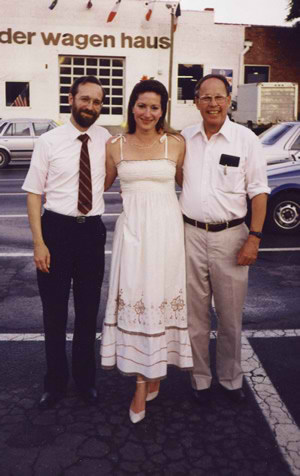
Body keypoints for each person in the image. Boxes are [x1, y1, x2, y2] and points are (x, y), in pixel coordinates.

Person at [100, 79, 193, 423]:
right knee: (138, 297)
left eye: (155, 107)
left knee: (161, 297)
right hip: (133, 235)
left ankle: (147, 379)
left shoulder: (177, 144)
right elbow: (100, 186)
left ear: (163, 110)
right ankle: (144, 378)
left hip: (168, 234)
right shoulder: (115, 146)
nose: (148, 113)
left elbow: (192, 185)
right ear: (132, 107)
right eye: (142, 105)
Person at [179, 74, 270, 404]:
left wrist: (254, 238)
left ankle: (231, 380)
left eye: (219, 97)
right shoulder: (185, 138)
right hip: (189, 235)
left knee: (230, 316)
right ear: (196, 102)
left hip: (232, 237)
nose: (213, 104)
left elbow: (259, 192)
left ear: (229, 99)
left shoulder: (245, 140)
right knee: (195, 317)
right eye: (206, 98)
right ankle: (200, 380)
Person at [22, 76, 111, 409]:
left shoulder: (105, 139)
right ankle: (55, 383)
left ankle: (85, 381)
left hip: (91, 233)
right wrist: (38, 243)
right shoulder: (49, 141)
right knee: (54, 314)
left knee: (89, 313)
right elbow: (34, 194)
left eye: (97, 102)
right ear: (71, 98)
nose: (91, 107)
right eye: (85, 99)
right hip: (56, 232)